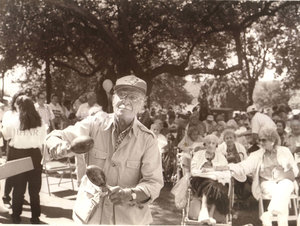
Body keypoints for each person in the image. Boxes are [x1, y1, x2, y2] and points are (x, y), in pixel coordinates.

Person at [45, 75, 163, 225]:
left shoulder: (148, 139)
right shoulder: (95, 123)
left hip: (127, 220)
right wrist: (56, 144)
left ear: (142, 104)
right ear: (113, 99)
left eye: (133, 97)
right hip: (90, 217)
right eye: (121, 95)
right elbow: (56, 136)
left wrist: (130, 194)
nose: (125, 101)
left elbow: (154, 183)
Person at [228, 127, 298, 226]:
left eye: (263, 140)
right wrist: (229, 166)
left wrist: (281, 174)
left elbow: (294, 171)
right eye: (259, 140)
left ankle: (269, 214)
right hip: (267, 183)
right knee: (283, 193)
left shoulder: (284, 151)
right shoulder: (257, 154)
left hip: (284, 181)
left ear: (272, 140)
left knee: (286, 185)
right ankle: (278, 219)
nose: (260, 142)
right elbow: (244, 166)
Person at [1, 95, 47, 224]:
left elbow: (5, 135)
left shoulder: (14, 120)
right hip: (34, 155)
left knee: (18, 188)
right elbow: (43, 139)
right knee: (34, 189)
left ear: (19, 106)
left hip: (18, 154)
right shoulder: (40, 121)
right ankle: (35, 217)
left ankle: (16, 215)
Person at [190, 134, 230, 224]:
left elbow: (227, 172)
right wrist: (212, 173)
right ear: (204, 145)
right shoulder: (198, 155)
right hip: (199, 180)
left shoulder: (221, 157)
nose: (211, 145)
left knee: (217, 186)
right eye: (208, 143)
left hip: (216, 181)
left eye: (213, 143)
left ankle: (210, 214)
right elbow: (193, 171)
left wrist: (210, 172)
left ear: (216, 145)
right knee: (211, 184)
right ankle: (204, 210)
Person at [2, 91, 26, 210]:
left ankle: (20, 195)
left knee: (23, 170)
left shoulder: (28, 113)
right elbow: (6, 131)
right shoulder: (9, 114)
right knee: (10, 171)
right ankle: (6, 197)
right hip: (13, 145)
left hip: (26, 145)